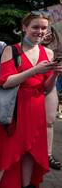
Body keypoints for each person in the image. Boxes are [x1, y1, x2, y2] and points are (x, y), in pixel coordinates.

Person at [0, 11, 62, 188]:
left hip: (36, 109)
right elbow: (6, 82)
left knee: (30, 152)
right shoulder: (11, 50)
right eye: (35, 27)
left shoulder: (48, 52)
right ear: (24, 27)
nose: (40, 31)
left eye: (44, 27)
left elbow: (46, 88)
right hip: (15, 110)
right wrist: (34, 70)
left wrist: (55, 75)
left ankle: (26, 185)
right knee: (7, 152)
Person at [41, 23, 62, 170]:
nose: (47, 34)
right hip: (31, 84)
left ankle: (47, 154)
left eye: (49, 32)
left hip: (51, 83)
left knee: (49, 121)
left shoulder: (56, 47)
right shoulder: (30, 44)